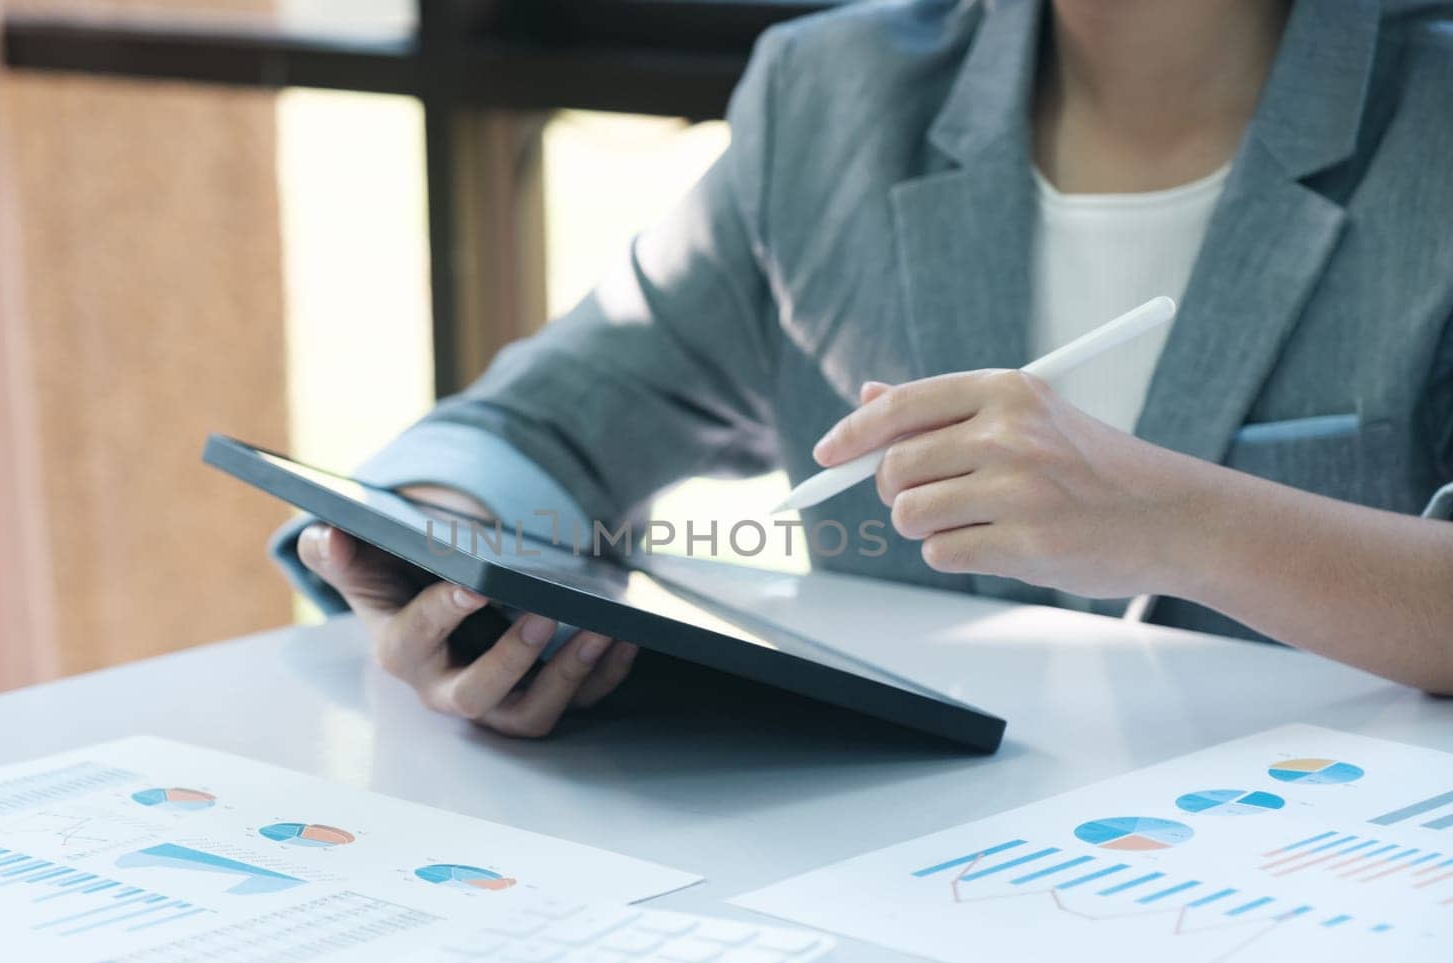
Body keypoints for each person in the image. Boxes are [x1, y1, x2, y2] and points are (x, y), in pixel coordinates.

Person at [276, 0, 1453, 737]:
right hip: (903, 911)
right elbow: (538, 425)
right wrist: (441, 551)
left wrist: (1177, 518)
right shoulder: (830, 99)